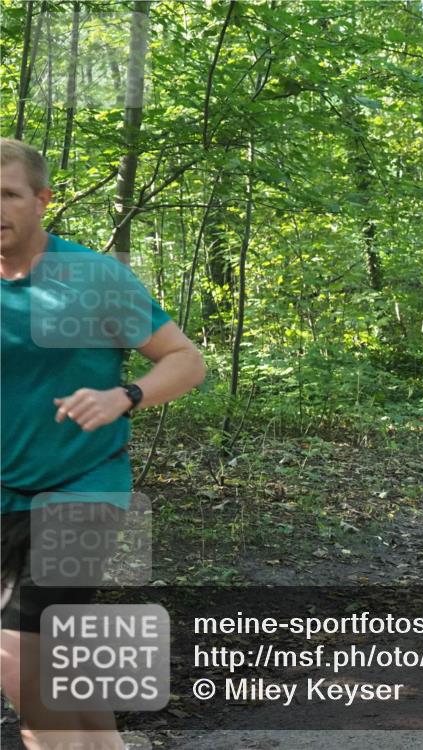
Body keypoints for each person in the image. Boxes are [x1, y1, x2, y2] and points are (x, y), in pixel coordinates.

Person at [0, 138, 205, 749]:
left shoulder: (91, 278)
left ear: (42, 200)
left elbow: (185, 360)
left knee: (19, 662)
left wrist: (126, 396)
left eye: (7, 195)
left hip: (82, 488)